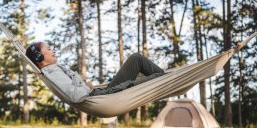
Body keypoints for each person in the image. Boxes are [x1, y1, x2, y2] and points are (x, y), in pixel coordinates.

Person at [26, 42, 165, 103]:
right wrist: (86, 85)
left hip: (102, 93)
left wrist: (80, 78)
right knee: (160, 77)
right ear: (39, 57)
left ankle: (167, 79)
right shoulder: (52, 72)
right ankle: (168, 80)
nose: (53, 51)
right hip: (104, 96)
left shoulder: (53, 70)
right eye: (49, 49)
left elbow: (72, 85)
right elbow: (75, 96)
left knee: (136, 59)